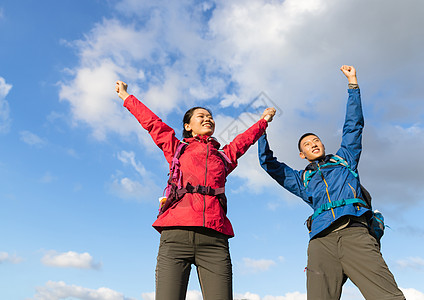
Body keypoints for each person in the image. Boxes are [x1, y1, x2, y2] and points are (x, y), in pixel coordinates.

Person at [115, 80, 276, 300]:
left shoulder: (224, 156)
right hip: (175, 235)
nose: (207, 118)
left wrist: (263, 121)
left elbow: (243, 141)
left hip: (214, 238)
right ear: (188, 126)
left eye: (210, 116)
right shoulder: (177, 148)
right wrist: (126, 97)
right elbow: (153, 123)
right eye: (201, 116)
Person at [257, 66, 405, 300]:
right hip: (320, 242)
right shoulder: (301, 179)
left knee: (388, 296)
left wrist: (353, 85)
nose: (313, 144)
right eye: (307, 144)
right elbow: (269, 164)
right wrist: (261, 130)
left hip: (354, 233)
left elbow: (353, 126)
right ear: (302, 155)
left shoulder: (344, 159)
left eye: (316, 140)